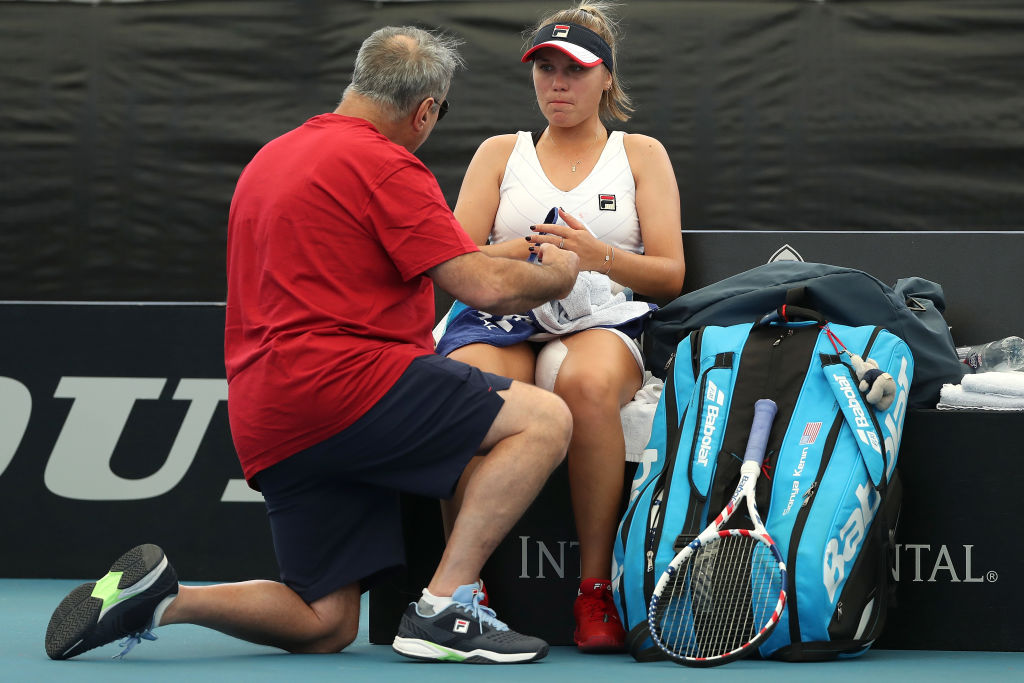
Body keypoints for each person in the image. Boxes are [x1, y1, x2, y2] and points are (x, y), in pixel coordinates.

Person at [43, 25, 580, 665]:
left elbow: (384, 258)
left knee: (323, 621)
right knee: (544, 420)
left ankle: (162, 600)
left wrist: (495, 253)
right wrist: (559, 273)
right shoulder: (387, 164)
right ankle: (445, 606)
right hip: (349, 389)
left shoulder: (272, 158)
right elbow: (484, 288)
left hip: (271, 416)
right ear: (426, 110)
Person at [436, 2, 685, 653]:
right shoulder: (499, 152)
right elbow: (454, 259)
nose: (557, 84)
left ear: (607, 77)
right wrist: (520, 254)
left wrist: (593, 256)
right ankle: (463, 590)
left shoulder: (641, 153)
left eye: (573, 70)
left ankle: (595, 587)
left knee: (589, 386)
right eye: (545, 69)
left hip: (600, 315)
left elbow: (669, 274)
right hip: (504, 311)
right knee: (473, 390)